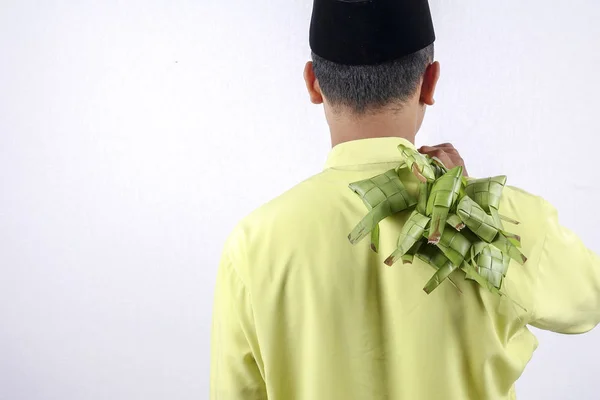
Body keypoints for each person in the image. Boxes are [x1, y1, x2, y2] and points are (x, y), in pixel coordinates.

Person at [210, 0, 600, 398]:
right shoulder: (504, 218)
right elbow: (588, 300)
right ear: (431, 81)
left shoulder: (252, 246)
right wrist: (472, 210)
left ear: (312, 83)